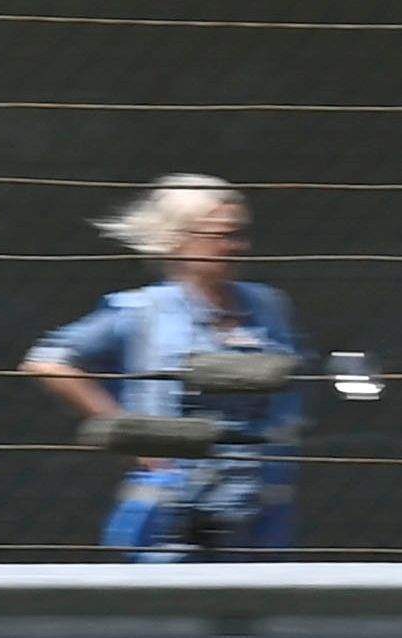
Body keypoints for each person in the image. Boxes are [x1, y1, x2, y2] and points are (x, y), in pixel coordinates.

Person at [22, 175, 305, 560]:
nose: (236, 246)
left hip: (259, 511)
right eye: (222, 235)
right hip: (173, 517)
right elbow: (48, 360)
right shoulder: (144, 311)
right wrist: (130, 431)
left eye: (240, 235)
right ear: (179, 240)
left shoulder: (269, 306)